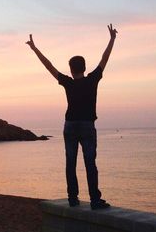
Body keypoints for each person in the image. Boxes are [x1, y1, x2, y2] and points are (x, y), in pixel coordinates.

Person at [26, 24, 117, 210]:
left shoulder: (67, 82)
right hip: (87, 126)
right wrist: (112, 39)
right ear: (84, 67)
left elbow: (48, 65)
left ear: (71, 68)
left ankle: (73, 198)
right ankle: (94, 200)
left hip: (70, 126)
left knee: (71, 162)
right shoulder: (92, 79)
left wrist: (34, 48)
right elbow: (104, 58)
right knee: (90, 163)